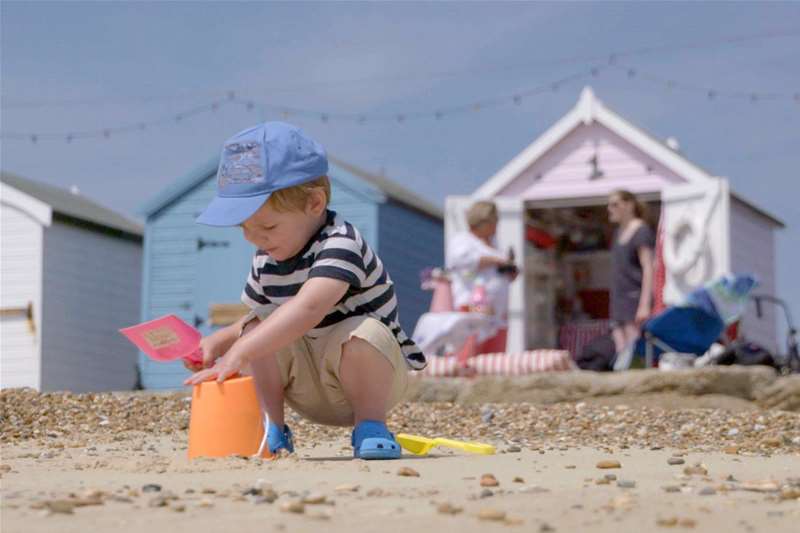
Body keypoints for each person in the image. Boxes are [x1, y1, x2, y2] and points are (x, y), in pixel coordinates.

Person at [183, 122, 426, 460]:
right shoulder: (266, 257)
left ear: (314, 203)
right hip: (307, 388)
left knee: (361, 332)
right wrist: (222, 341)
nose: (254, 238)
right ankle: (273, 429)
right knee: (258, 327)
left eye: (267, 225)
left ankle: (371, 425)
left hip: (372, 379)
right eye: (245, 228)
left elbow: (309, 307)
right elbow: (259, 317)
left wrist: (241, 352)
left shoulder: (341, 242)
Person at [446, 201, 518, 322]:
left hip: (497, 314)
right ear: (482, 222)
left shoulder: (495, 245)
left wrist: (510, 272)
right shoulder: (463, 240)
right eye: (493, 222)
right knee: (473, 340)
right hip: (472, 309)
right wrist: (496, 261)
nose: (496, 226)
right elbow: (462, 260)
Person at [607, 189, 655, 356]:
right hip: (618, 301)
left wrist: (644, 304)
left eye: (615, 204)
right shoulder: (618, 233)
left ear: (629, 205)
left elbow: (649, 268)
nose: (610, 209)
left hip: (634, 300)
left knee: (635, 351)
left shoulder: (642, 231)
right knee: (620, 351)